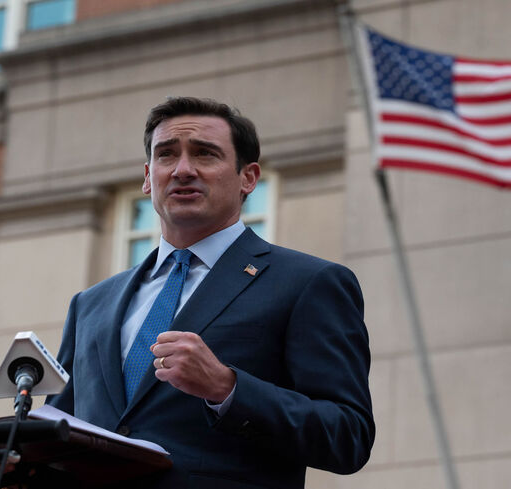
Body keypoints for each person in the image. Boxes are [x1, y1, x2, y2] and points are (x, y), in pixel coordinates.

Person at [47, 97, 374, 488]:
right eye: (166, 155)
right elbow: (59, 435)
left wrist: (227, 388)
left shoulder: (308, 283)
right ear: (149, 176)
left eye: (205, 154)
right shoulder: (91, 304)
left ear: (248, 178)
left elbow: (347, 436)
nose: (183, 170)